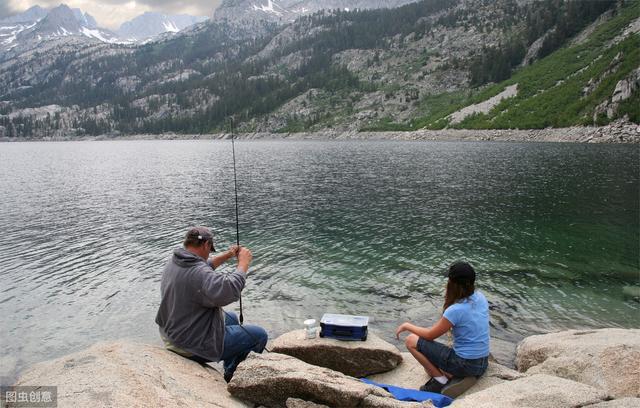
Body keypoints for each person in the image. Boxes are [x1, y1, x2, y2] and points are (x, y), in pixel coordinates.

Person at [155, 226, 268, 382]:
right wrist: (243, 264)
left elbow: (205, 265)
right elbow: (229, 290)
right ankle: (232, 375)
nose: (209, 253)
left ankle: (229, 366)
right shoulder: (198, 273)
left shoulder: (177, 261)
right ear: (206, 245)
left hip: (172, 333)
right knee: (259, 335)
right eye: (210, 249)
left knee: (232, 317)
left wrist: (228, 255)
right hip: (190, 344)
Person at [395, 261, 489, 396]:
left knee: (411, 340)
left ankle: (440, 380)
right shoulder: (481, 297)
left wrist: (407, 325)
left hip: (464, 364)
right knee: (441, 349)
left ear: (452, 283)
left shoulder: (455, 310)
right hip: (482, 363)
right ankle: (452, 374)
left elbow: (429, 335)